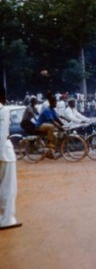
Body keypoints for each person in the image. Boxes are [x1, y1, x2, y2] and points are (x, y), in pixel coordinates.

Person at [0, 86, 21, 230]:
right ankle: (7, 219)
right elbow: (2, 134)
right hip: (4, 153)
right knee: (8, 188)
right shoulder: (3, 110)